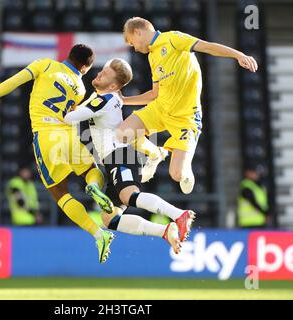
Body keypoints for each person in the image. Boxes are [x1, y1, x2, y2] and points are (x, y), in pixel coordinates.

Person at [0, 44, 115, 264]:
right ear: (84, 68)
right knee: (93, 171)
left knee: (59, 192)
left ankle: (98, 234)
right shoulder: (80, 88)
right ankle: (92, 187)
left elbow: (14, 81)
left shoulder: (45, 64)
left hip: (45, 135)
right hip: (69, 135)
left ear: (67, 56)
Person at [64, 58, 196, 254]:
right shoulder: (100, 98)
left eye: (106, 74)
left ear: (114, 85)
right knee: (110, 219)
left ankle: (179, 214)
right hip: (112, 160)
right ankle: (164, 230)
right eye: (103, 71)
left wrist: (58, 106)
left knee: (129, 196)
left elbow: (69, 118)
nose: (100, 74)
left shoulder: (106, 99)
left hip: (121, 155)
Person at [118, 17, 258, 194]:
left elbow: (207, 46)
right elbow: (154, 94)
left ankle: (187, 172)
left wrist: (238, 55)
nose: (135, 48)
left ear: (138, 32)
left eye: (133, 42)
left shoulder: (173, 39)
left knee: (177, 174)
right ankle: (155, 153)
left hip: (185, 118)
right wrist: (124, 100)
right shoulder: (153, 56)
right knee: (122, 133)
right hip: (161, 109)